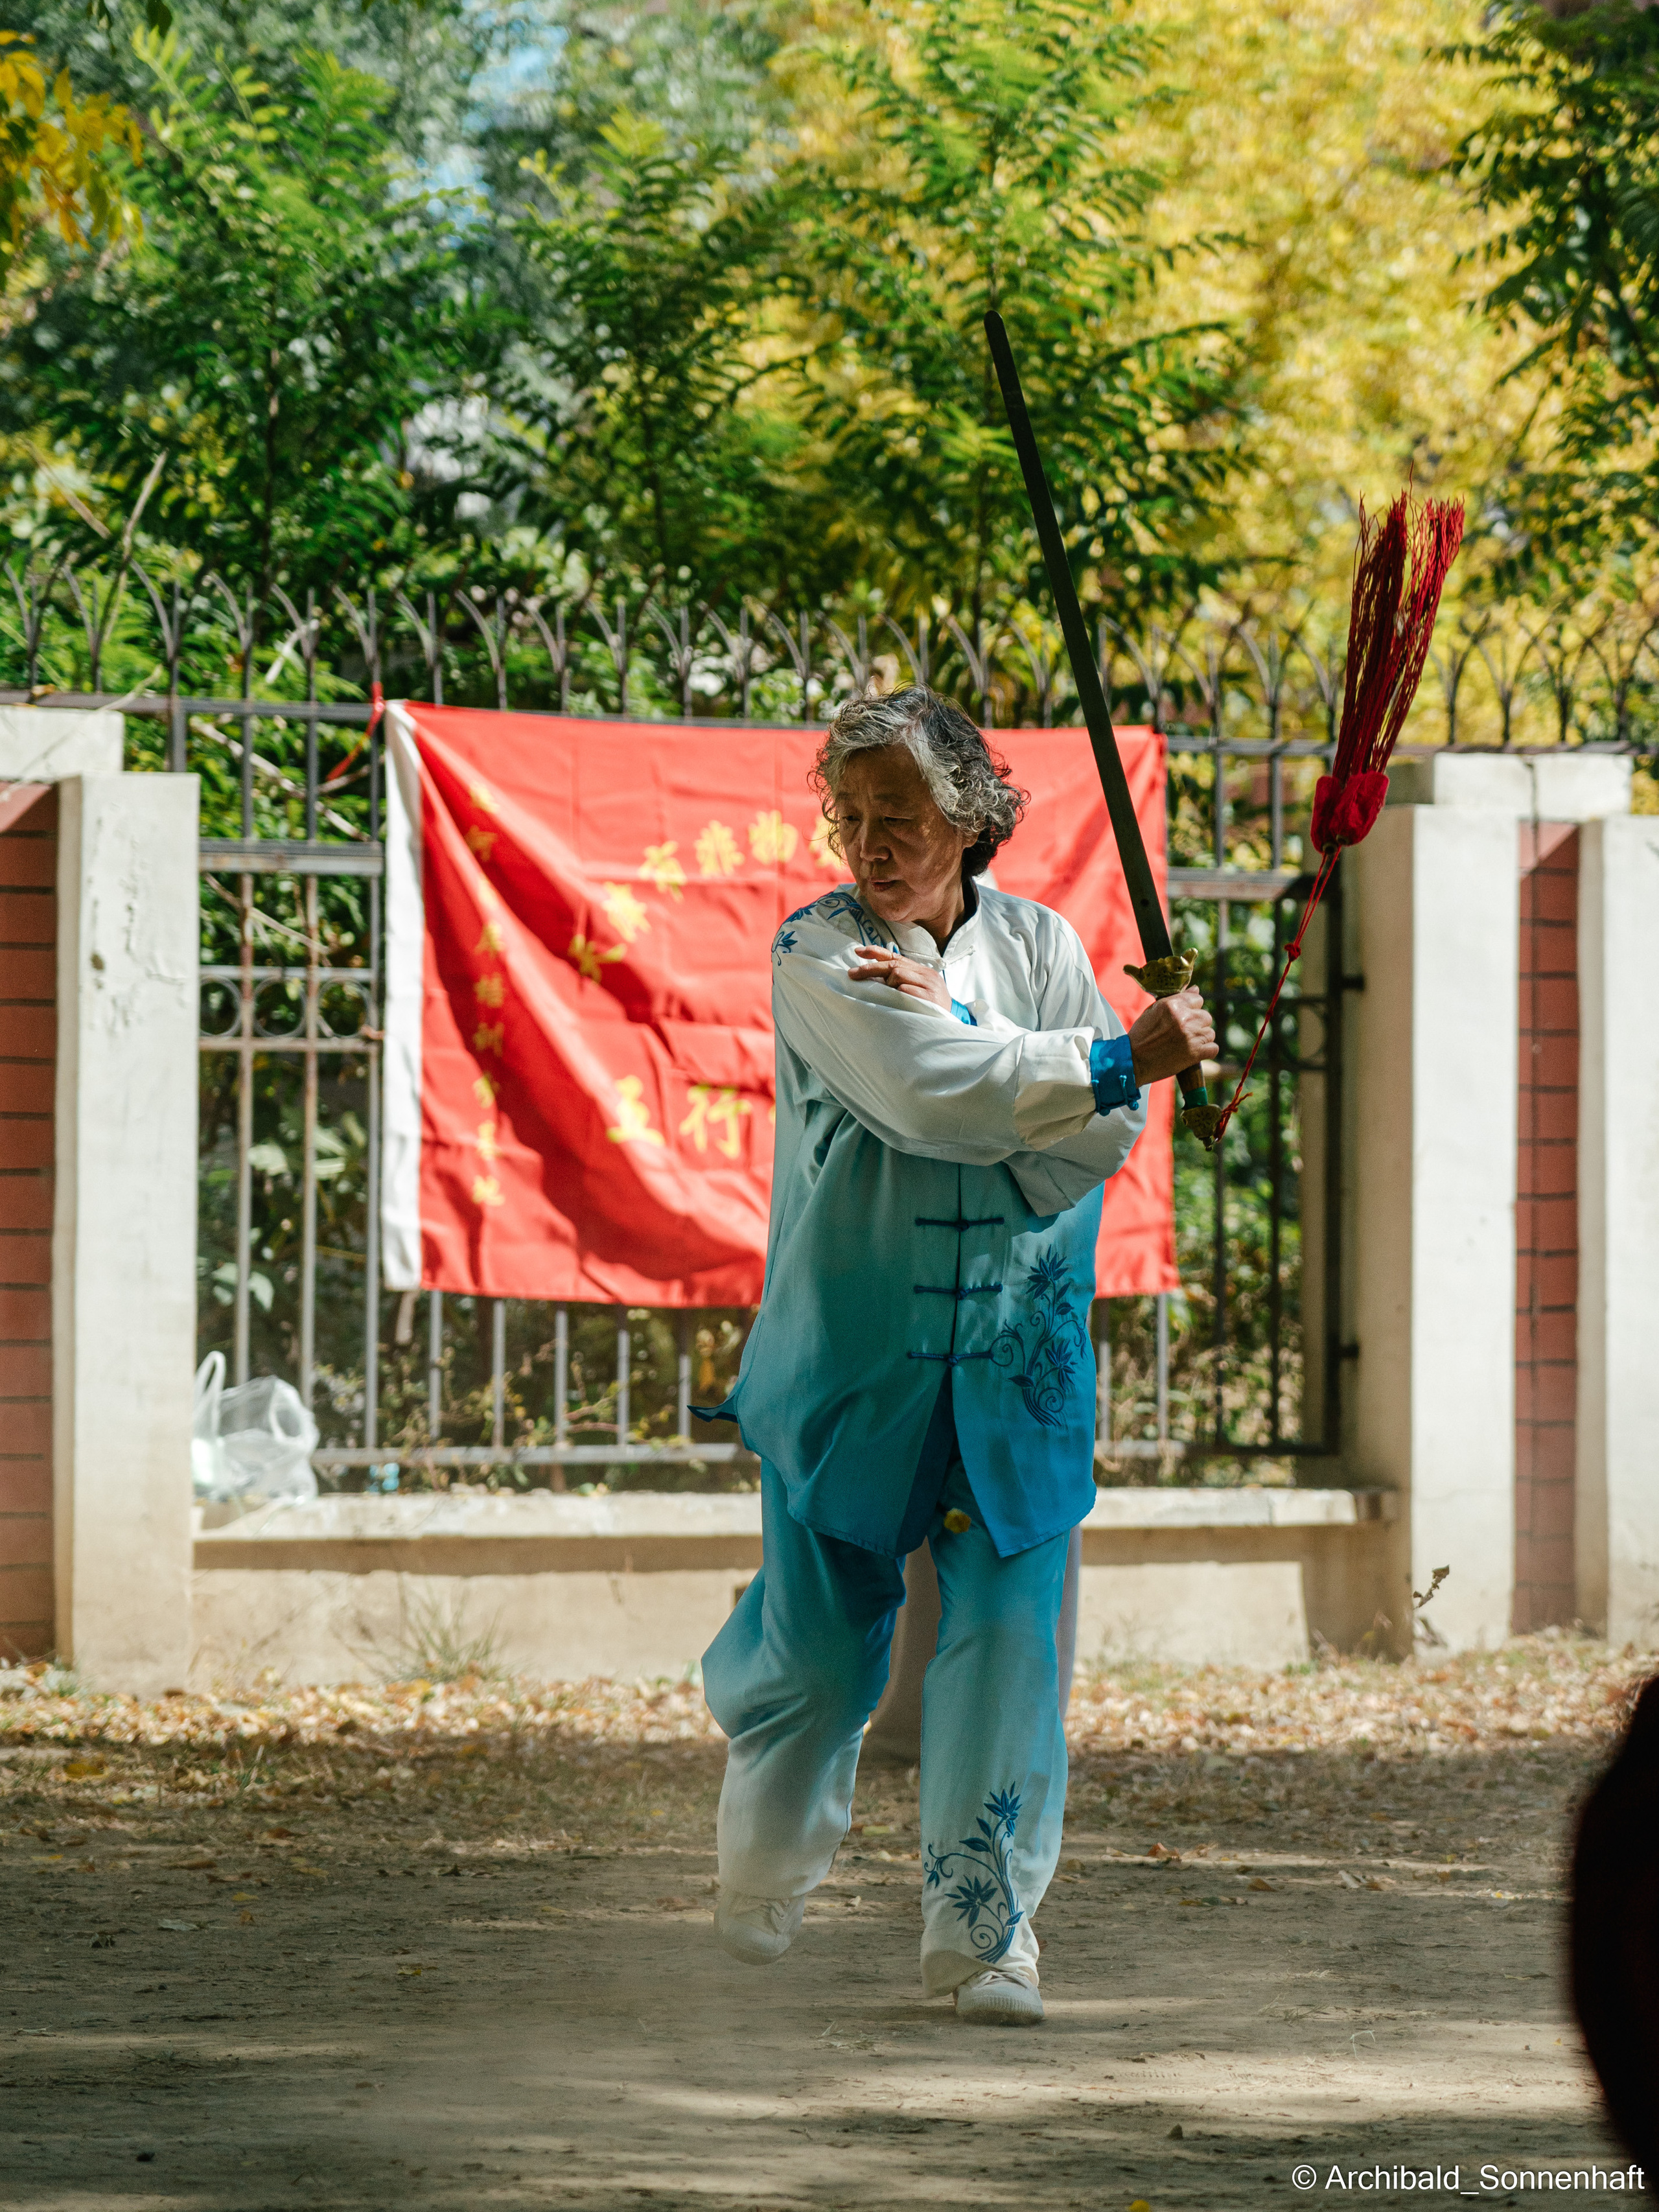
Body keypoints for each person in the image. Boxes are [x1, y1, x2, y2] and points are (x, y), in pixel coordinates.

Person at [698, 686, 1215, 2025]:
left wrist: (1024, 1056)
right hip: (852, 1354)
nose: (871, 843)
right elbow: (922, 1095)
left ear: (971, 820)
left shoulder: (1042, 945)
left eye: (903, 816)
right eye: (852, 814)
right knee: (822, 1654)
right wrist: (1106, 1061)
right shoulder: (819, 950)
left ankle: (986, 1933)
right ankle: (763, 1858)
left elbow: (1098, 1140)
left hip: (1012, 1360)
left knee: (1005, 1648)